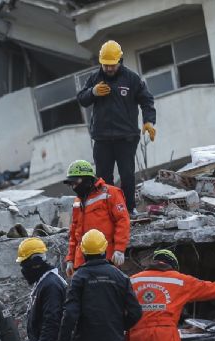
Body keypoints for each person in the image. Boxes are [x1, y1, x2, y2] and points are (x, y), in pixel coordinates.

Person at [76, 40, 156, 214]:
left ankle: (129, 209)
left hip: (126, 137)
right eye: (105, 65)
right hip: (102, 137)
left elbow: (147, 100)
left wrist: (149, 121)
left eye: (112, 65)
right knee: (103, 178)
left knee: (127, 175)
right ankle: (108, 210)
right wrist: (93, 92)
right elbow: (82, 99)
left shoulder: (132, 79)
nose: (109, 69)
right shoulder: (94, 78)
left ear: (120, 61)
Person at [63, 160, 131, 276]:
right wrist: (70, 258)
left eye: (76, 182)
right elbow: (74, 231)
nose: (74, 187)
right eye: (71, 184)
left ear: (87, 179)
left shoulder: (111, 193)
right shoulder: (77, 201)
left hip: (105, 257)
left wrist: (119, 249)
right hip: (82, 261)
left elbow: (122, 220)